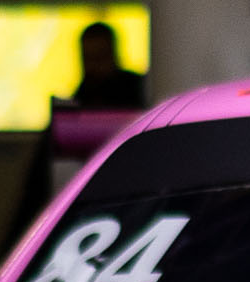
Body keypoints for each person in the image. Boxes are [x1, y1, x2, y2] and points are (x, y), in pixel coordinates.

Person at [15, 18, 151, 222]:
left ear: (113, 55)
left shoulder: (136, 96)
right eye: (88, 58)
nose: (94, 66)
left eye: (100, 57)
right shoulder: (77, 105)